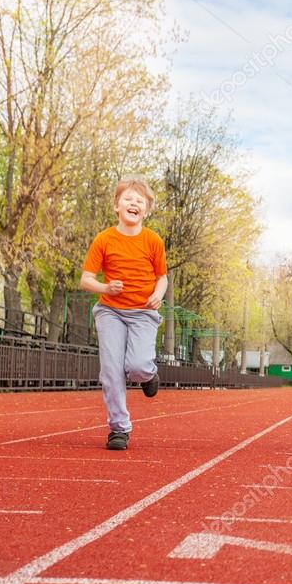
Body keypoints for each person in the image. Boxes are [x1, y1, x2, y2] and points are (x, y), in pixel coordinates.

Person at [80, 176, 168, 451]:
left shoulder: (153, 241)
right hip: (110, 311)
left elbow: (162, 277)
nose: (133, 204)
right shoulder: (104, 239)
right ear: (116, 206)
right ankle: (119, 428)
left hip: (143, 312)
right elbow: (86, 280)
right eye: (128, 199)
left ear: (146, 210)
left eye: (139, 201)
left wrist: (158, 294)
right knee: (111, 370)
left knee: (138, 367)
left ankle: (149, 375)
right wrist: (106, 286)